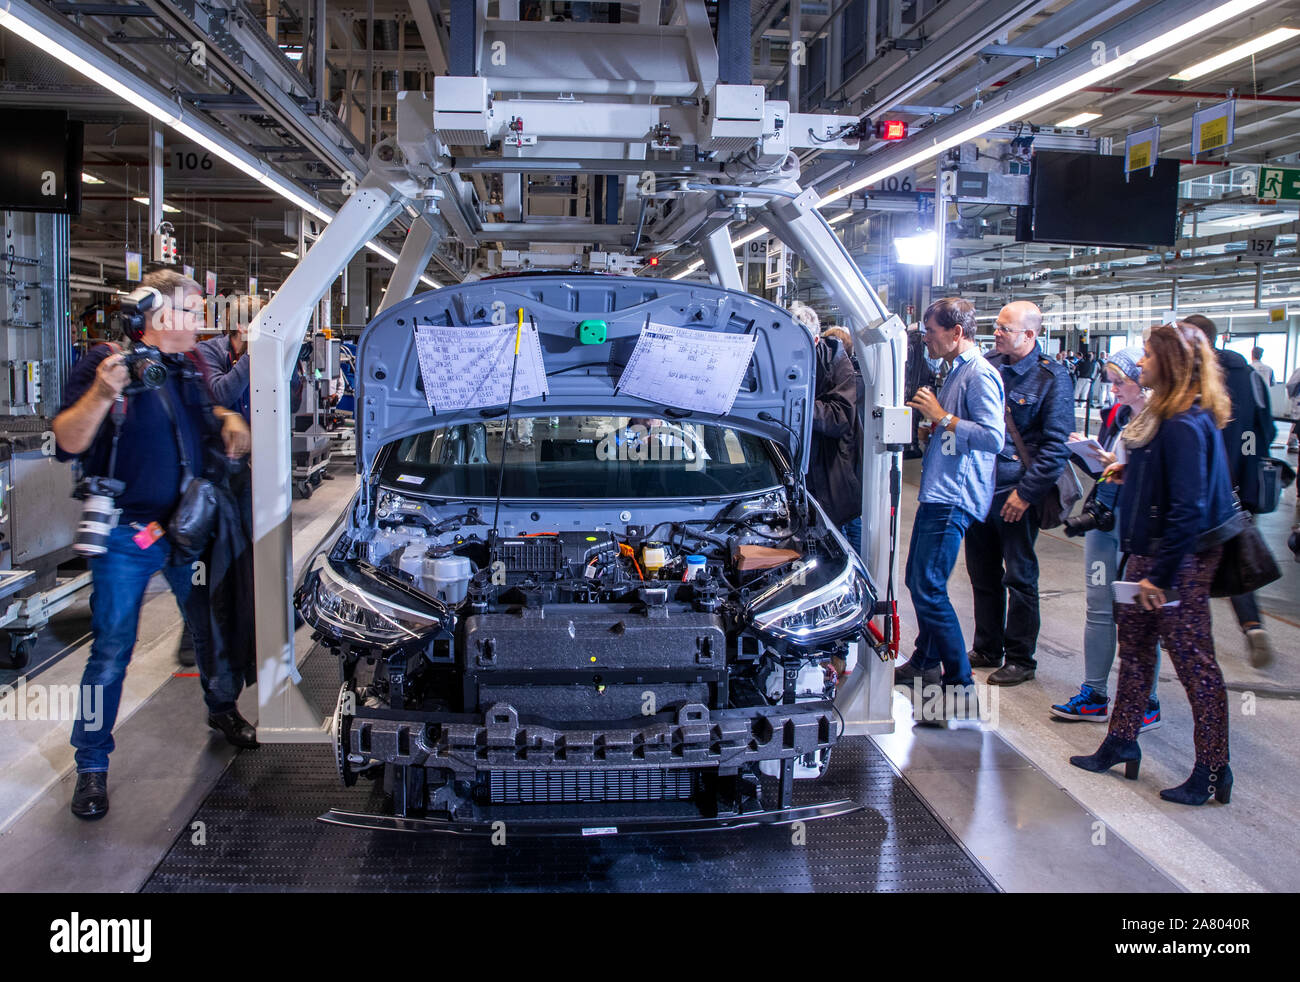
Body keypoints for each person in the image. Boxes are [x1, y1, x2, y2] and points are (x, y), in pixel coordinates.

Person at [52, 270, 255, 821]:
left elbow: (203, 416)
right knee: (112, 649)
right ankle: (91, 763)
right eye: (192, 311)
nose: (202, 322)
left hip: (182, 531)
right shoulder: (103, 364)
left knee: (209, 630)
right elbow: (69, 440)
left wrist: (227, 416)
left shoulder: (186, 369)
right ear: (156, 314)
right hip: (126, 535)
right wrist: (103, 391)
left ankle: (222, 707)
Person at [1070, 322, 1237, 806]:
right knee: (1137, 650)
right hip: (1147, 553)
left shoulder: (1185, 422)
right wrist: (1132, 471)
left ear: (1171, 363)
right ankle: (1122, 738)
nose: (1140, 363)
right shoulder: (1166, 416)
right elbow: (1169, 486)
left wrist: (1158, 578)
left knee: (1195, 666)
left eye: (1147, 356)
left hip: (1174, 562)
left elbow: (1187, 509)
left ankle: (1212, 770)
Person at [896, 298, 1005, 717]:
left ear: (956, 333)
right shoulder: (954, 372)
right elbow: (956, 432)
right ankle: (925, 660)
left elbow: (994, 438)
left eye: (932, 331)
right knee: (918, 579)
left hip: (954, 496)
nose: (926, 338)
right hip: (938, 489)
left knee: (927, 585)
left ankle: (960, 686)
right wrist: (935, 432)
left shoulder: (980, 375)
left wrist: (943, 418)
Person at [1050, 347, 1161, 730]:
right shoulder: (1116, 416)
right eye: (1110, 382)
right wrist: (1090, 455)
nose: (1112, 389)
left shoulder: (1161, 421)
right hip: (1104, 522)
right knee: (1099, 607)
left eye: (1120, 382)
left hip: (1137, 528)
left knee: (1138, 614)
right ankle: (1095, 693)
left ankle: (1146, 699)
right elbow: (1106, 473)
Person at [965, 301, 1073, 686]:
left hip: (1015, 492)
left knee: (1020, 577)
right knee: (982, 574)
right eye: (996, 327)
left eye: (1004, 329)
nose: (996, 334)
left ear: (1029, 335)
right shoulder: (988, 364)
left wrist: (1026, 495)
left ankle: (1021, 658)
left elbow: (1056, 446)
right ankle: (987, 646)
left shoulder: (1051, 379)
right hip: (980, 489)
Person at [1183, 314, 1276, 667]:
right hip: (1244, 484)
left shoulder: (1195, 380)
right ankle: (1251, 623)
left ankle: (1188, 632)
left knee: (1194, 560)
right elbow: (1265, 431)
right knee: (1236, 555)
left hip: (1205, 485)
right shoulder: (1250, 376)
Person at [793, 305, 865, 555]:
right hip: (799, 465)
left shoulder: (836, 360)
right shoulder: (784, 357)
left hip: (832, 465)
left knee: (840, 535)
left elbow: (839, 416)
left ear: (815, 339)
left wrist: (794, 405)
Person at [821, 325, 867, 554]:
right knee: (851, 520)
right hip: (849, 472)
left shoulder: (845, 386)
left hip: (841, 472)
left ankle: (856, 562)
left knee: (847, 525)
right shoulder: (857, 382)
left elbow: (838, 422)